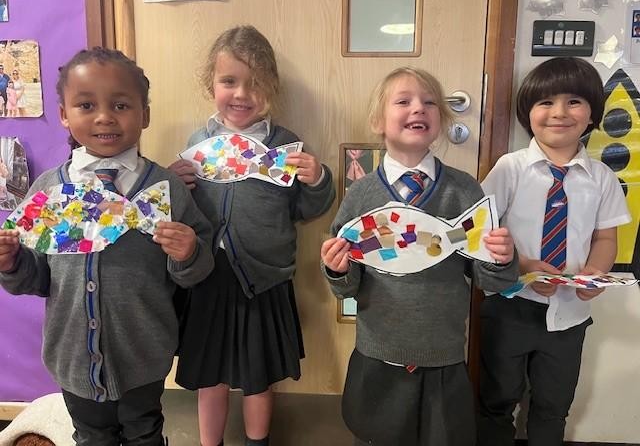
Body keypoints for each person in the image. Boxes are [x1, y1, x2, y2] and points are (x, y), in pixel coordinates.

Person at [0, 47, 215, 446]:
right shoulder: (49, 190)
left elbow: (199, 268)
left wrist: (189, 253)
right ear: (64, 114)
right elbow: (37, 277)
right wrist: (12, 263)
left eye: (120, 105)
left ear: (144, 114)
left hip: (144, 355)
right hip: (72, 357)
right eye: (86, 105)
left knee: (145, 433)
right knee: (91, 437)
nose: (104, 117)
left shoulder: (166, 188)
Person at [320, 66, 519, 446]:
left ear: (441, 120)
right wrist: (336, 269)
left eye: (429, 102)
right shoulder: (361, 195)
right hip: (378, 352)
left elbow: (490, 279)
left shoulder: (464, 190)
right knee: (376, 434)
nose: (418, 108)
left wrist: (502, 258)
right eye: (403, 101)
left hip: (443, 352)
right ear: (378, 121)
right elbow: (345, 286)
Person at [170, 25, 336, 446]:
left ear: (272, 88)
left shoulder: (285, 146)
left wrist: (317, 180)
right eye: (229, 81)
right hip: (208, 276)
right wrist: (173, 184)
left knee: (259, 378)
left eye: (256, 83)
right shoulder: (198, 143)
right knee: (210, 377)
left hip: (263, 279)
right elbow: (182, 212)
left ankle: (257, 442)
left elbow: (305, 209)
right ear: (211, 84)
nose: (242, 94)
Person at [477, 57, 631, 446]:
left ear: (592, 114)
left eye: (573, 101)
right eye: (546, 102)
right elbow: (479, 232)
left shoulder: (602, 178)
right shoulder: (509, 169)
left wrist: (596, 272)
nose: (559, 112)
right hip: (509, 305)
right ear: (527, 113)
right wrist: (524, 266)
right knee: (496, 399)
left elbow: (606, 238)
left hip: (569, 314)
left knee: (553, 404)